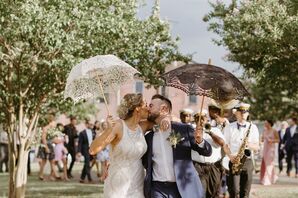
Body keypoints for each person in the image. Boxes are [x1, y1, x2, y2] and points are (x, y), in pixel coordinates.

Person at [143, 94, 212, 198]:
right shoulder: (149, 137)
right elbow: (146, 162)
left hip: (183, 188)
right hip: (157, 188)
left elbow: (207, 152)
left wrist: (200, 141)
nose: (148, 108)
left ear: (164, 109)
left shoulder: (183, 129)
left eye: (151, 106)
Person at [89, 93, 151, 198]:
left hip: (137, 183)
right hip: (117, 183)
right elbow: (92, 150)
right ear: (137, 108)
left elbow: (168, 120)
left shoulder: (143, 126)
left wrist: (165, 119)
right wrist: (108, 130)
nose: (148, 108)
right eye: (145, 105)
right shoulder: (118, 126)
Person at [223, 102, 260, 198]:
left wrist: (249, 144)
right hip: (234, 160)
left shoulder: (253, 127)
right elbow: (225, 145)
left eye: (245, 112)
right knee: (234, 191)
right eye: (241, 112)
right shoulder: (229, 127)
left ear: (248, 114)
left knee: (245, 192)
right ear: (236, 113)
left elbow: (257, 147)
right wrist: (230, 156)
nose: (244, 114)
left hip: (247, 162)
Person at [191, 110, 225, 198]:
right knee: (200, 193)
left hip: (214, 167)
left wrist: (210, 132)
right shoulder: (191, 131)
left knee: (214, 193)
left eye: (203, 118)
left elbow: (222, 143)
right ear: (194, 119)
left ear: (207, 119)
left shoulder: (215, 130)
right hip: (198, 166)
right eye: (198, 118)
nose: (201, 120)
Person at [260, 120, 279, 185]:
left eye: (266, 123)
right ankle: (273, 177)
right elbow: (262, 139)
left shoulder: (274, 131)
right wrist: (261, 139)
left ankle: (267, 180)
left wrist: (272, 140)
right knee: (264, 164)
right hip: (265, 149)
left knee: (269, 164)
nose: (265, 124)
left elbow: (278, 140)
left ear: (270, 124)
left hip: (271, 149)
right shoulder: (264, 131)